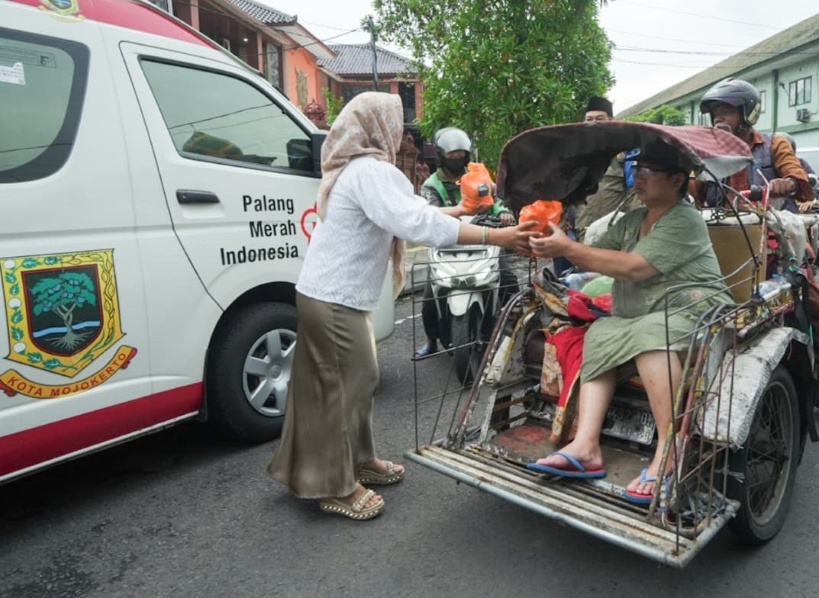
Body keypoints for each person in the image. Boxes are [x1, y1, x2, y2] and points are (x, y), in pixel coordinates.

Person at [266, 92, 536, 521]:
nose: (401, 134)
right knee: (346, 387)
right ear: (378, 128)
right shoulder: (372, 172)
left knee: (354, 381)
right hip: (333, 296)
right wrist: (496, 237)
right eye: (396, 124)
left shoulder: (354, 170)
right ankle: (334, 484)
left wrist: (461, 210)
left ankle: (358, 459)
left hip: (330, 293)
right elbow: (416, 222)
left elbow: (405, 212)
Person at [526, 138, 732, 505]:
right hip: (642, 312)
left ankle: (670, 452)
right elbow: (599, 254)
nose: (639, 178)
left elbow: (634, 268)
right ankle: (586, 445)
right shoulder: (634, 218)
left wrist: (568, 249)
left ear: (677, 180)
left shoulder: (684, 220)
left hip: (692, 311)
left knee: (654, 336)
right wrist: (551, 234)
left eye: (650, 172)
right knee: (601, 332)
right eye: (637, 170)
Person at [692, 77, 819, 430]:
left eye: (727, 110)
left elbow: (800, 179)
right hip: (724, 241)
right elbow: (694, 191)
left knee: (814, 304)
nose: (720, 118)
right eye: (716, 112)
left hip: (779, 237)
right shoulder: (709, 151)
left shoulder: (774, 143)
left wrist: (786, 183)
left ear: (748, 113)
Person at [416, 127, 519, 357]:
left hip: (483, 239)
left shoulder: (478, 176)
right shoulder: (432, 185)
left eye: (460, 155)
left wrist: (503, 213)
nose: (456, 160)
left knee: (509, 278)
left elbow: (496, 200)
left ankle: (515, 323)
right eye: (451, 156)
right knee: (430, 294)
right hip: (447, 243)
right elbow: (430, 212)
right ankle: (431, 339)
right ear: (441, 156)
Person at [573, 97, 640, 241]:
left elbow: (635, 193)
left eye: (599, 118)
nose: (594, 123)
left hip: (612, 231)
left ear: (611, 120)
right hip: (582, 229)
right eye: (589, 119)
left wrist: (634, 230)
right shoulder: (576, 153)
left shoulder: (624, 152)